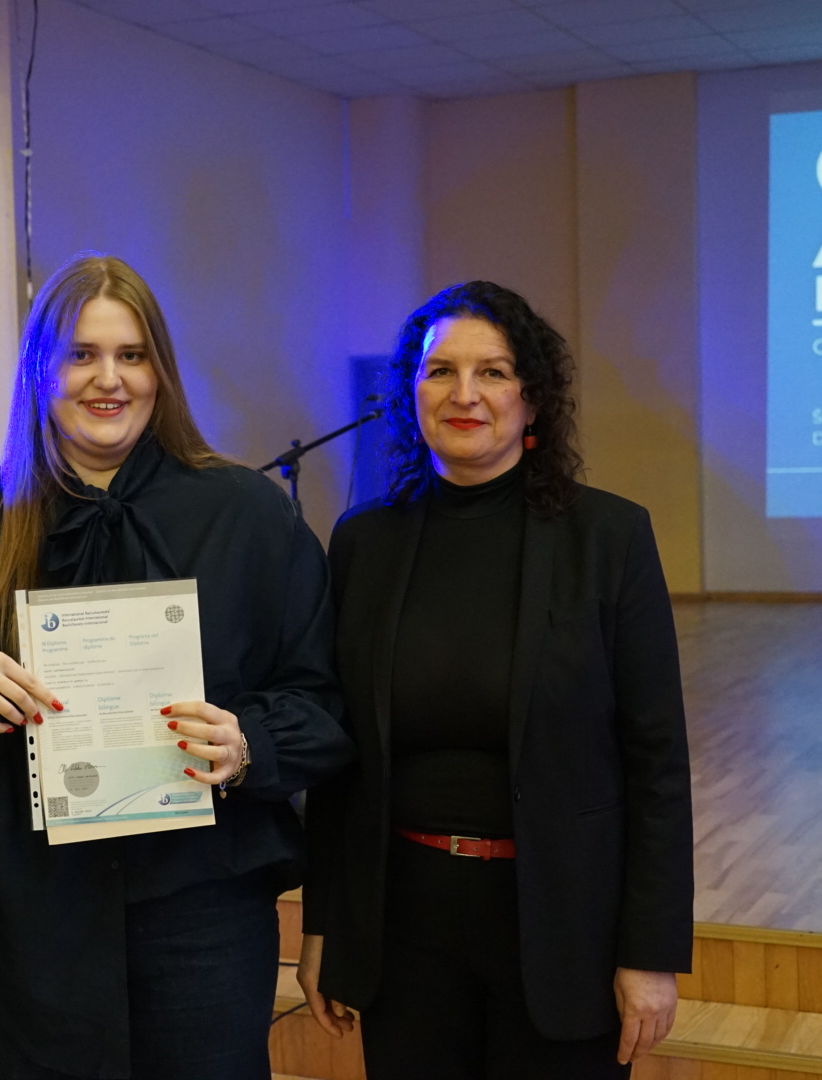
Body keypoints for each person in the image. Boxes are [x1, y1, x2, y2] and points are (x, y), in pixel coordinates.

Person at [0, 253, 352, 1080]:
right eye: (81, 355)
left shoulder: (248, 518)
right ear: (39, 372)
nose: (109, 379)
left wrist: (245, 745)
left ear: (161, 371)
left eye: (132, 355)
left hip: (201, 918)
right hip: (29, 931)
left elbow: (322, 706)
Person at [297, 281, 693, 1078]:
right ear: (411, 393)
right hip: (404, 928)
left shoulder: (608, 537)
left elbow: (657, 762)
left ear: (532, 397)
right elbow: (342, 761)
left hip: (564, 927)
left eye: (495, 372)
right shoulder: (364, 542)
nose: (465, 394)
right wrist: (324, 926)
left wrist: (650, 951)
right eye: (441, 371)